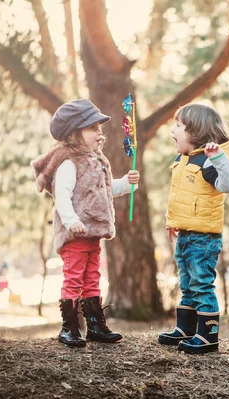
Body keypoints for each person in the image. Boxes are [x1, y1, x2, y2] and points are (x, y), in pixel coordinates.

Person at [31, 99, 139, 348]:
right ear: (74, 133)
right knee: (74, 277)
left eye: (100, 130)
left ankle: (95, 325)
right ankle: (69, 327)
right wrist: (72, 222)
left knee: (92, 276)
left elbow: (106, 191)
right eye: (93, 129)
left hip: (93, 233)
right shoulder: (69, 163)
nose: (99, 135)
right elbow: (62, 197)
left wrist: (127, 183)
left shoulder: (98, 161)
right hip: (76, 233)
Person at [157, 103, 229, 354]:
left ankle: (208, 336)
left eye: (179, 125)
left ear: (197, 131)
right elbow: (179, 196)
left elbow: (228, 185)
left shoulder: (208, 161)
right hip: (186, 233)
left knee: (201, 283)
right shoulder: (182, 159)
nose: (173, 130)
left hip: (204, 237)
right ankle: (186, 328)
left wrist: (219, 159)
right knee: (187, 282)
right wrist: (173, 222)